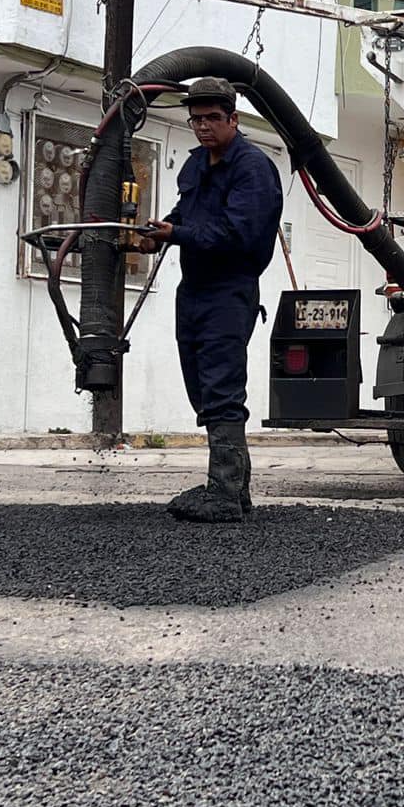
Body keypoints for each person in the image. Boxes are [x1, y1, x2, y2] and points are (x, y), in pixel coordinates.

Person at [139, 77, 283, 523]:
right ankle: (234, 491)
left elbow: (239, 234)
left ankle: (223, 492)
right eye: (196, 119)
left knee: (221, 388)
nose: (203, 127)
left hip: (229, 290)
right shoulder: (197, 164)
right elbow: (188, 215)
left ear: (233, 120)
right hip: (194, 290)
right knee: (202, 388)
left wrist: (176, 235)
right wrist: (159, 231)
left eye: (212, 119)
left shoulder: (252, 169)